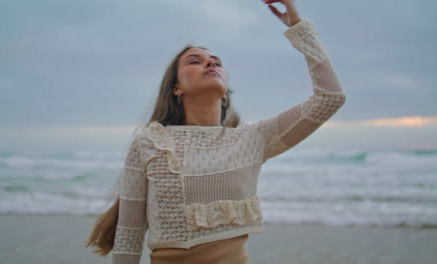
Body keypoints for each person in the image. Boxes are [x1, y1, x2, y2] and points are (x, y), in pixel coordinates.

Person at [85, 0, 346, 263]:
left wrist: (299, 28)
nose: (210, 64)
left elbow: (330, 97)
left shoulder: (252, 139)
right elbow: (129, 235)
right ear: (176, 88)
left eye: (216, 62)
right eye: (195, 61)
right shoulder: (150, 142)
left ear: (225, 93)